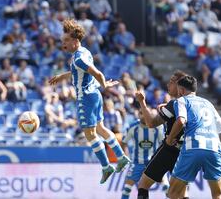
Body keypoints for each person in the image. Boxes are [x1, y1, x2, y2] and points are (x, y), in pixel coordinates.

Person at [49, 19, 130, 184]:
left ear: (75, 41)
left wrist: (105, 84)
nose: (63, 44)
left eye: (65, 41)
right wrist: (61, 76)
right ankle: (121, 157)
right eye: (62, 41)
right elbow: (77, 71)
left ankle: (106, 166)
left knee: (89, 133)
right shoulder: (83, 52)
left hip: (86, 98)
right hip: (94, 95)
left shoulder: (79, 58)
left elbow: (97, 73)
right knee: (100, 128)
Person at [165, 76, 221, 199]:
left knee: (173, 192)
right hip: (213, 149)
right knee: (218, 194)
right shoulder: (208, 103)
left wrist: (169, 139)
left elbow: (181, 121)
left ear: (182, 90)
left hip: (192, 147)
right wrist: (215, 149)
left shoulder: (182, 100)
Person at [135, 70, 188, 199]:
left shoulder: (174, 104)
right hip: (185, 151)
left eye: (171, 82)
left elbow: (151, 123)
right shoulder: (193, 104)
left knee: (143, 184)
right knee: (182, 193)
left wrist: (142, 102)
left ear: (180, 86)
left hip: (169, 149)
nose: (168, 85)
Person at [121, 108, 165, 199]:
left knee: (166, 185)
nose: (143, 115)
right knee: (127, 187)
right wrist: (124, 156)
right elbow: (124, 142)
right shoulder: (133, 127)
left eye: (145, 113)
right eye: (141, 113)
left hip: (153, 162)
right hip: (137, 162)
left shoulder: (158, 126)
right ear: (138, 115)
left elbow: (163, 143)